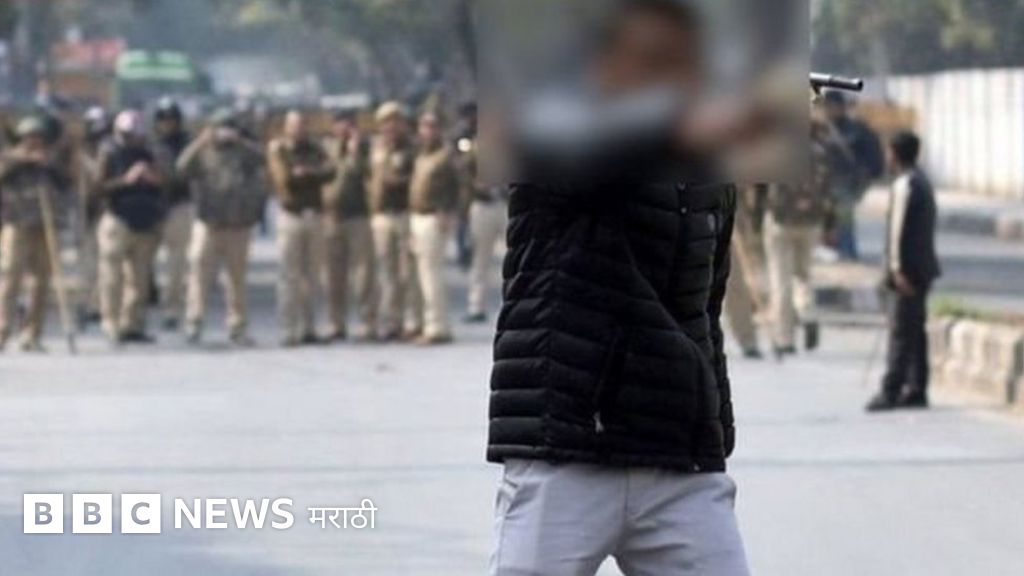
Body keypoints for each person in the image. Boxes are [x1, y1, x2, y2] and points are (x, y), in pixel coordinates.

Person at [488, 1, 748, 574]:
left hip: (678, 464)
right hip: (568, 450)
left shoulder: (707, 176)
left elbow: (704, 311)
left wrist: (713, 434)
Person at [177, 109, 268, 347]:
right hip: (209, 222)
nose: (224, 133)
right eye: (220, 128)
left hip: (238, 224)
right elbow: (181, 168)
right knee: (199, 273)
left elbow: (263, 159)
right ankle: (194, 320)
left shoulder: (243, 152)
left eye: (228, 128)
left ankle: (237, 325)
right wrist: (200, 142)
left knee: (236, 278)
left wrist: (242, 142)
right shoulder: (203, 152)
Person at [866, 131, 941, 412]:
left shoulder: (904, 185)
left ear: (895, 154)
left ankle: (890, 390)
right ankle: (917, 388)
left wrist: (896, 270)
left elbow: (897, 232)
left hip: (907, 272)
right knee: (916, 331)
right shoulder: (922, 181)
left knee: (900, 332)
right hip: (923, 268)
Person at [95, 109, 166, 344]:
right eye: (128, 135)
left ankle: (133, 324)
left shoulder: (148, 154)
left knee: (139, 279)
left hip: (144, 220)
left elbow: (166, 183)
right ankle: (111, 322)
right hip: (118, 218)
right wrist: (126, 180)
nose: (133, 139)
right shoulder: (109, 152)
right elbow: (99, 187)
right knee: (112, 275)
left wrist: (153, 178)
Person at [0, 116, 69, 352]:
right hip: (17, 223)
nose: (35, 141)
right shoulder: (9, 158)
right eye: (30, 137)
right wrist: (25, 160)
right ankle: (3, 329)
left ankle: (32, 333)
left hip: (46, 225)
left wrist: (49, 165)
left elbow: (66, 183)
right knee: (11, 277)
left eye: (39, 137)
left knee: (41, 281)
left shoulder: (50, 160)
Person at [267, 109, 335, 347]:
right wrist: (309, 175)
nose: (299, 130)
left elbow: (331, 171)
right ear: (286, 127)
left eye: (303, 125)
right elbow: (286, 178)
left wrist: (308, 172)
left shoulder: (315, 149)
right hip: (291, 215)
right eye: (294, 125)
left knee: (312, 275)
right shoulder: (279, 149)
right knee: (289, 275)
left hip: (313, 215)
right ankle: (289, 328)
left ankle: (309, 327)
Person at [762, 124, 831, 358]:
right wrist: (829, 224)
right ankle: (807, 313)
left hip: (780, 222)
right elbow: (828, 191)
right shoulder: (820, 152)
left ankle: (785, 339)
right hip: (811, 222)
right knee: (803, 274)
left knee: (780, 280)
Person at [321, 109, 377, 342]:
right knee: (333, 275)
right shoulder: (325, 149)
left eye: (349, 124)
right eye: (340, 124)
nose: (344, 129)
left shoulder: (366, 149)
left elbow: (362, 173)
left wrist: (355, 151)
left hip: (359, 216)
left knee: (363, 274)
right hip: (332, 217)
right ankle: (336, 322)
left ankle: (367, 322)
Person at [368, 101, 420, 341]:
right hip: (381, 215)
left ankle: (412, 320)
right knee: (386, 272)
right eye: (386, 122)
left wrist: (397, 180)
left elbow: (418, 179)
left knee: (407, 271)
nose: (390, 127)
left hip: (404, 213)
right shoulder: (375, 148)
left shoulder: (412, 149)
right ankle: (391, 321)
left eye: (395, 121)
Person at [409, 110, 459, 345]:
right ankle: (433, 322)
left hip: (434, 218)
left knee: (431, 274)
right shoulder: (421, 155)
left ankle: (436, 327)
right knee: (424, 274)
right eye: (424, 126)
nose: (427, 131)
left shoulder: (445, 156)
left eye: (432, 126)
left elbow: (459, 186)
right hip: (418, 217)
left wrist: (448, 210)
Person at [457, 105, 508, 325]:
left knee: (513, 256)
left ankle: (513, 300)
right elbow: (461, 172)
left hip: (505, 204)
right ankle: (476, 305)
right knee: (480, 258)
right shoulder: (473, 145)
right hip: (483, 204)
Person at [820, 89, 883, 261]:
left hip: (848, 183)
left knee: (844, 218)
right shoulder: (819, 129)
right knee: (826, 220)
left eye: (833, 106)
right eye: (827, 106)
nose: (829, 110)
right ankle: (833, 251)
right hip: (823, 184)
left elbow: (874, 155)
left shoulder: (857, 129)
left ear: (841, 107)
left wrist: (867, 175)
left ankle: (847, 252)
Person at [151, 97, 193, 330]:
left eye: (171, 119)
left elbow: (186, 172)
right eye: (163, 119)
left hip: (178, 204)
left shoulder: (186, 143)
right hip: (152, 205)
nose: (167, 123)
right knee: (142, 260)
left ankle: (173, 308)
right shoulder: (149, 144)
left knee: (176, 262)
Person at [75, 106, 112, 327]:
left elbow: (100, 178)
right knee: (87, 262)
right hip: (85, 211)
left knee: (103, 260)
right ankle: (87, 302)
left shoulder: (109, 149)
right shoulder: (82, 150)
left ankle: (99, 305)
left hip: (105, 210)